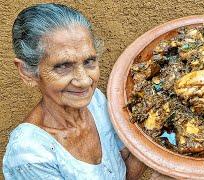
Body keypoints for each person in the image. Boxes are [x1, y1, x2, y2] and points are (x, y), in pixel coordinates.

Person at [3, 3, 146, 180]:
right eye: (63, 65)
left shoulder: (96, 102)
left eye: (89, 61)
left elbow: (123, 167)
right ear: (27, 72)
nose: (85, 81)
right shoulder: (30, 155)